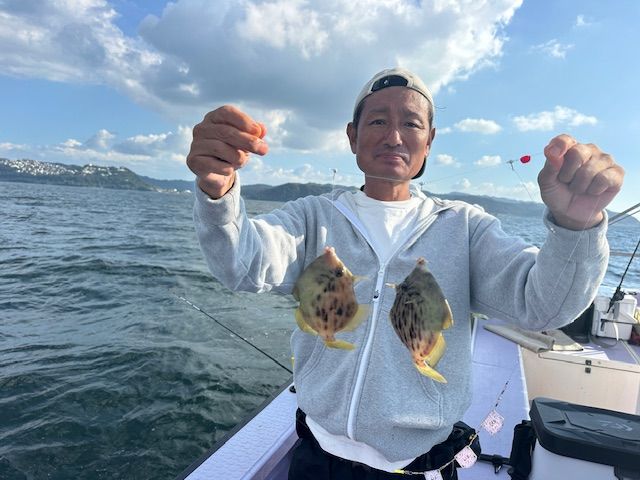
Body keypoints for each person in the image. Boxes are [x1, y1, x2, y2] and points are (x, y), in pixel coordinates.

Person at [186, 67, 625, 479]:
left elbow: (543, 305)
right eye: (378, 121)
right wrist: (217, 190)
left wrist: (577, 226)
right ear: (352, 136)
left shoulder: (464, 227)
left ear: (429, 141)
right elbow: (243, 263)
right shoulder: (313, 216)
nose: (394, 136)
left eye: (411, 124)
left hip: (417, 464)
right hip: (316, 452)